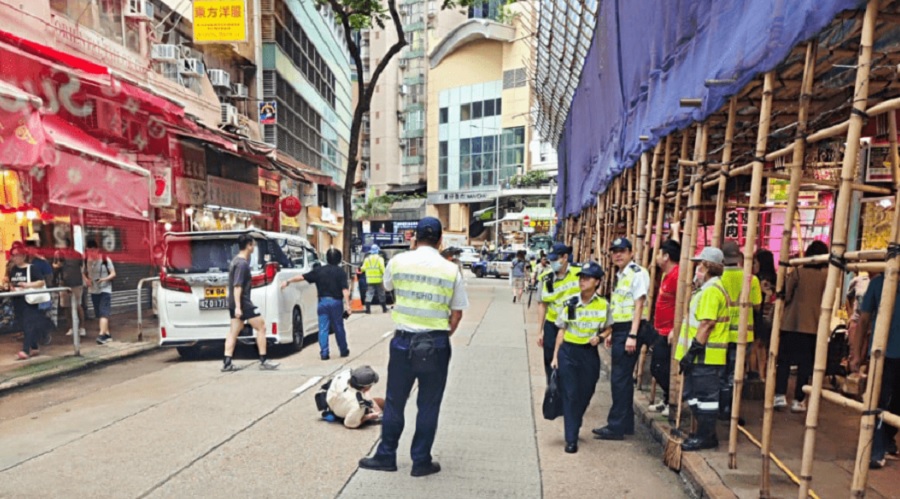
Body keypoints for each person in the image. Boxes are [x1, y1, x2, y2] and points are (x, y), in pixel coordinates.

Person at [358, 217, 468, 478]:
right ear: (441, 240)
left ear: (415, 238)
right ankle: (421, 461)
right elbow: (457, 314)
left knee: (395, 401)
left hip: (403, 343)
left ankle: (386, 456)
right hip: (436, 343)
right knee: (429, 404)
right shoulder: (451, 270)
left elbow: (387, 285)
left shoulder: (398, 262)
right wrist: (440, 336)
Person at [550, 262, 610, 453]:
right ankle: (571, 438)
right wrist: (555, 357)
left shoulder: (603, 305)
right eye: (581, 277)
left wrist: (600, 337)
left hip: (589, 354)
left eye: (587, 278)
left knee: (586, 392)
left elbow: (609, 327)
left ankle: (575, 419)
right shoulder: (570, 302)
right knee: (570, 394)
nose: (582, 281)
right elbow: (561, 330)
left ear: (597, 282)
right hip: (568, 352)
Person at [675, 246, 732, 451]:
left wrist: (693, 351)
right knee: (693, 394)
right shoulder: (708, 289)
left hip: (705, 355)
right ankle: (704, 432)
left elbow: (707, 324)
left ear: (706, 267)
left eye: (699, 265)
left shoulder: (711, 291)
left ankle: (706, 436)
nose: (696, 269)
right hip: (703, 354)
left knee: (705, 398)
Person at [593, 237, 649, 441]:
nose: (617, 255)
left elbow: (639, 304)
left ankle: (616, 426)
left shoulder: (637, 273)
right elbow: (619, 306)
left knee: (619, 379)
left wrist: (632, 335)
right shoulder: (621, 275)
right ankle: (625, 424)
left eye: (622, 251)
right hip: (621, 329)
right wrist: (612, 331)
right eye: (614, 251)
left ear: (631, 253)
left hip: (630, 330)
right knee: (622, 379)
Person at [774, 240, 829, 412]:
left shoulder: (798, 272)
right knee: (805, 365)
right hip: (813, 326)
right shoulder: (827, 276)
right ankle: (799, 400)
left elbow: (787, 295)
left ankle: (779, 395)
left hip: (791, 323)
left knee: (784, 362)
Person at [855, 268, 900, 469]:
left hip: (889, 353)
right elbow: (863, 320)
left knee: (895, 403)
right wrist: (856, 353)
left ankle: (886, 440)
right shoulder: (878, 283)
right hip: (881, 353)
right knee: (879, 401)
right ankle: (877, 449)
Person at [222, 234, 279, 372]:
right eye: (253, 244)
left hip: (236, 303)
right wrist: (238, 307)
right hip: (243, 303)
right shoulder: (242, 264)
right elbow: (237, 286)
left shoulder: (236, 261)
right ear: (248, 245)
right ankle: (263, 360)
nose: (254, 247)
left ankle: (227, 362)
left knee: (233, 332)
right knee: (261, 326)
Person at [718, 241, 762, 421]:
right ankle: (731, 408)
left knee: (721, 371)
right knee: (736, 374)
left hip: (721, 333)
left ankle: (720, 407)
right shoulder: (751, 279)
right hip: (744, 335)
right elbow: (757, 305)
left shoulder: (718, 278)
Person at [282, 248, 351, 361]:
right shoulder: (341, 272)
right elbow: (345, 290)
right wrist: (348, 306)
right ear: (339, 259)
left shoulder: (319, 271)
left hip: (322, 302)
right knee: (338, 327)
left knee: (323, 328)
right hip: (336, 303)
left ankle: (324, 353)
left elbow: (302, 277)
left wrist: (288, 281)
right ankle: (343, 350)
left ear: (327, 258)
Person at [537, 243, 582, 382]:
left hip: (573, 325)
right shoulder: (546, 278)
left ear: (565, 257)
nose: (552, 262)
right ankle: (552, 387)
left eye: (556, 259)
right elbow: (542, 305)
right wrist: (540, 331)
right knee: (550, 359)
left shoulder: (579, 273)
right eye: (551, 260)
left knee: (570, 359)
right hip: (552, 325)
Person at [648, 239, 681, 416]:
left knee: (659, 367)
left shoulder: (677, 275)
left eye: (659, 253)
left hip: (669, 332)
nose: (657, 257)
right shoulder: (666, 274)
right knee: (661, 367)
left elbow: (684, 304)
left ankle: (673, 401)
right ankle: (667, 399)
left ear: (666, 256)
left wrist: (676, 329)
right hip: (660, 329)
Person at [5, 242, 47, 360]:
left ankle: (25, 349)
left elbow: (41, 282)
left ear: (23, 256)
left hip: (29, 300)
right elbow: (12, 282)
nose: (15, 258)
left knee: (29, 323)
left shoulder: (31, 268)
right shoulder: (13, 269)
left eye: (17, 255)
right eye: (13, 255)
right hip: (17, 300)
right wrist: (12, 288)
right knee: (23, 323)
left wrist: (27, 285)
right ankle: (34, 347)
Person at [84, 240, 116, 344]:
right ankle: (107, 334)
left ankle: (101, 335)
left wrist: (104, 279)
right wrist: (86, 280)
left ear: (97, 250)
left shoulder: (105, 259)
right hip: (93, 290)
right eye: (89, 251)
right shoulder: (86, 260)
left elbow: (113, 273)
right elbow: (83, 272)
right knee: (99, 313)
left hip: (105, 289)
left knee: (103, 312)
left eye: (93, 250)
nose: (91, 253)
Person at [752, 249, 777, 380]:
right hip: (773, 318)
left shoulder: (757, 280)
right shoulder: (776, 279)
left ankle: (757, 375)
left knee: (756, 347)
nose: (753, 265)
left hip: (759, 317)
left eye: (755, 262)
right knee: (766, 348)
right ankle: (764, 375)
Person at [53, 244, 86, 337]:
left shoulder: (77, 254)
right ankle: (72, 327)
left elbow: (82, 268)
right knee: (67, 306)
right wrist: (57, 266)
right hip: (65, 283)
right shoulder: (58, 254)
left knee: (77, 305)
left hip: (75, 283)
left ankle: (81, 327)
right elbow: (55, 266)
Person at [361, 245, 387, 314]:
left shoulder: (367, 259)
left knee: (369, 293)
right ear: (377, 250)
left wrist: (360, 268)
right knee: (381, 293)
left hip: (370, 280)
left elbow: (363, 268)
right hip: (379, 280)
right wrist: (386, 275)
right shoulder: (380, 259)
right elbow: (382, 268)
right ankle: (384, 309)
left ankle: (368, 310)